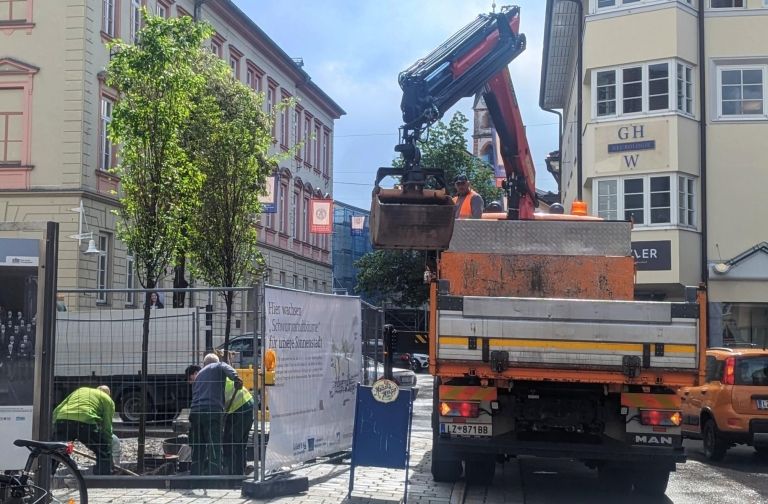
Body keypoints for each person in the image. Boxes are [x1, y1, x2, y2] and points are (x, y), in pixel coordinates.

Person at [185, 354, 243, 475]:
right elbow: (227, 368)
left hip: (195, 412)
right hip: (211, 412)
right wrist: (236, 378)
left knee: (198, 448)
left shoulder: (199, 374)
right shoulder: (218, 365)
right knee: (214, 447)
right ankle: (214, 479)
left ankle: (194, 478)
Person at [52, 385, 115, 475]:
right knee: (103, 451)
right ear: (109, 394)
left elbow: (56, 411)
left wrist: (56, 428)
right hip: (85, 422)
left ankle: (46, 478)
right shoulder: (108, 400)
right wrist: (107, 446)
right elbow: (107, 426)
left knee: (56, 451)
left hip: (62, 419)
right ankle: (102, 480)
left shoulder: (81, 390)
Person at [222, 377, 255, 475]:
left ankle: (232, 475)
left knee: (230, 442)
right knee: (240, 443)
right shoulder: (225, 375)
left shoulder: (214, 380)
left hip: (238, 409)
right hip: (248, 404)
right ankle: (239, 474)